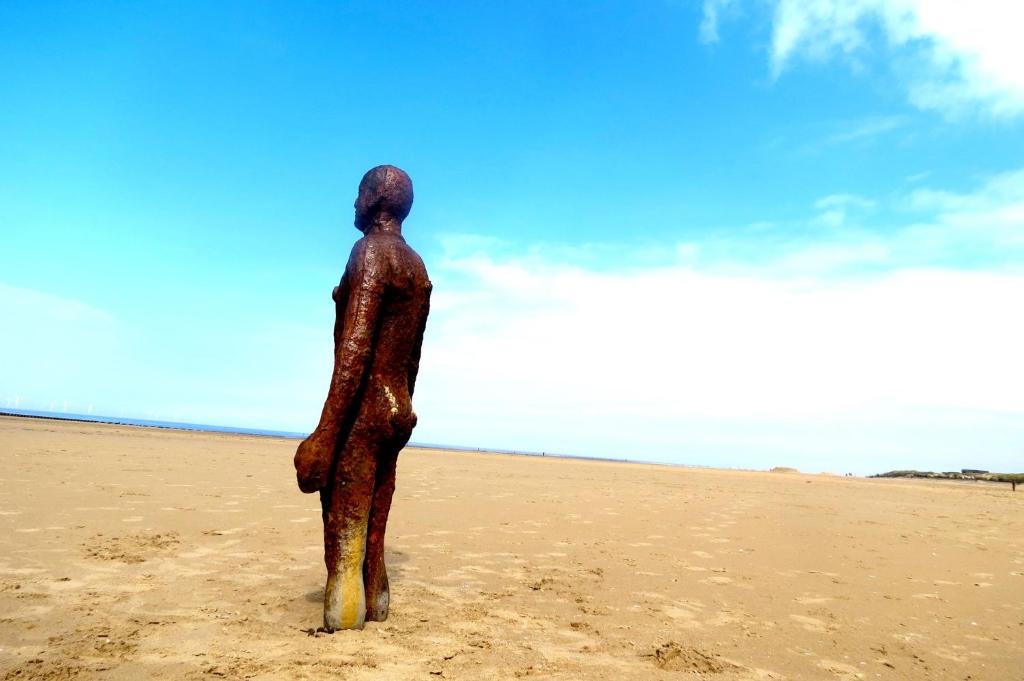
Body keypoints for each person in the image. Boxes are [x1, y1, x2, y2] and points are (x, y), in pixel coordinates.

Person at [294, 165, 431, 631]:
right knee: (378, 507)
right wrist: (404, 406)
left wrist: (325, 434)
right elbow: (413, 353)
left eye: (358, 195)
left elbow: (355, 348)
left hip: (365, 406)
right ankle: (377, 599)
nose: (353, 204)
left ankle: (345, 611)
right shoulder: (416, 265)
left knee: (346, 506)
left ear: (374, 200)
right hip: (397, 406)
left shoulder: (369, 253)